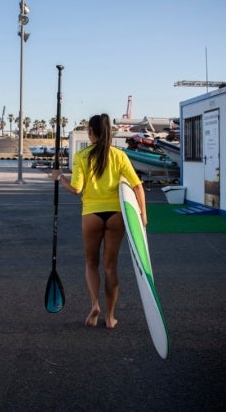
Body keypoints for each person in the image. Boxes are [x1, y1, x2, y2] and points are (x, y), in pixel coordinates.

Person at [51, 113, 146, 329]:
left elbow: (76, 190)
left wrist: (59, 177)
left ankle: (95, 305)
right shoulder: (119, 155)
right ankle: (110, 317)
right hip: (116, 216)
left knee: (90, 263)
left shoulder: (82, 156)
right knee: (110, 267)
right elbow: (137, 186)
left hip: (91, 215)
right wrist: (143, 215)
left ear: (91, 132)